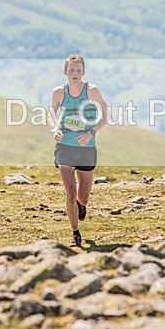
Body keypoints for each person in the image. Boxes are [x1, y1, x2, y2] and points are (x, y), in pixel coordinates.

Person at [50, 54, 108, 247]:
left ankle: (81, 206)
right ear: (65, 72)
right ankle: (75, 233)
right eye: (71, 70)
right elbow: (52, 114)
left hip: (86, 147)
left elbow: (105, 115)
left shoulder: (91, 91)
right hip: (65, 145)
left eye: (78, 70)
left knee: (82, 197)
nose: (75, 73)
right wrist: (55, 129)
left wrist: (91, 133)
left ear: (83, 72)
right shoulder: (59, 92)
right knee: (70, 192)